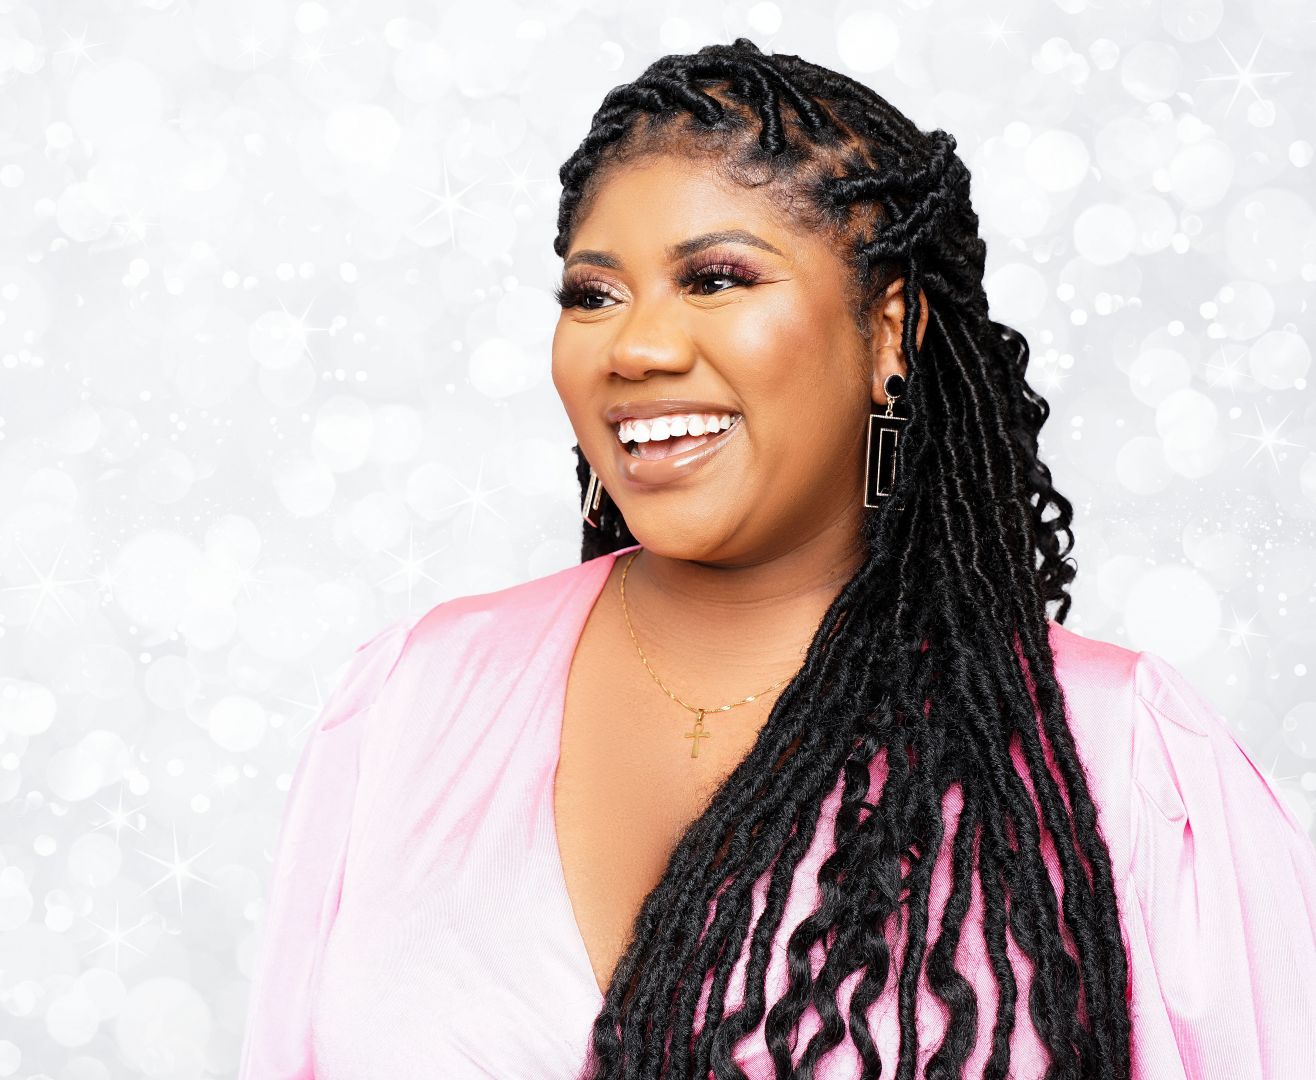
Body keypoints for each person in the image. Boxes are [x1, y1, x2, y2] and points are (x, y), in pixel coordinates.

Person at [236, 40, 1316, 1080]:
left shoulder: (1120, 756)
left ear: (888, 328)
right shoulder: (412, 701)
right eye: (593, 295)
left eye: (715, 279)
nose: (636, 347)